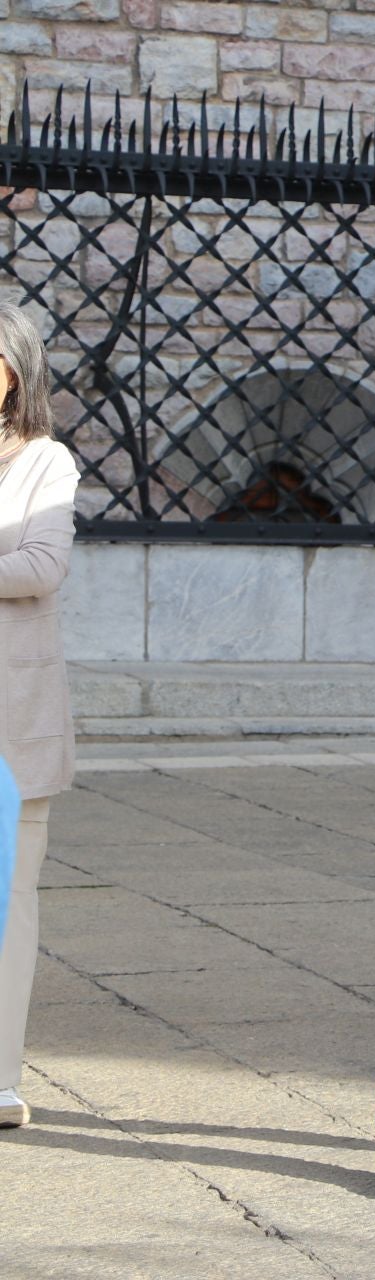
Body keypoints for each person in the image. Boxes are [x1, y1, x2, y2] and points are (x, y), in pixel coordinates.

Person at [0, 303, 79, 1131]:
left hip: (10, 721)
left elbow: (39, 565)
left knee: (10, 897)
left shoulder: (44, 463)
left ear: (12, 372)